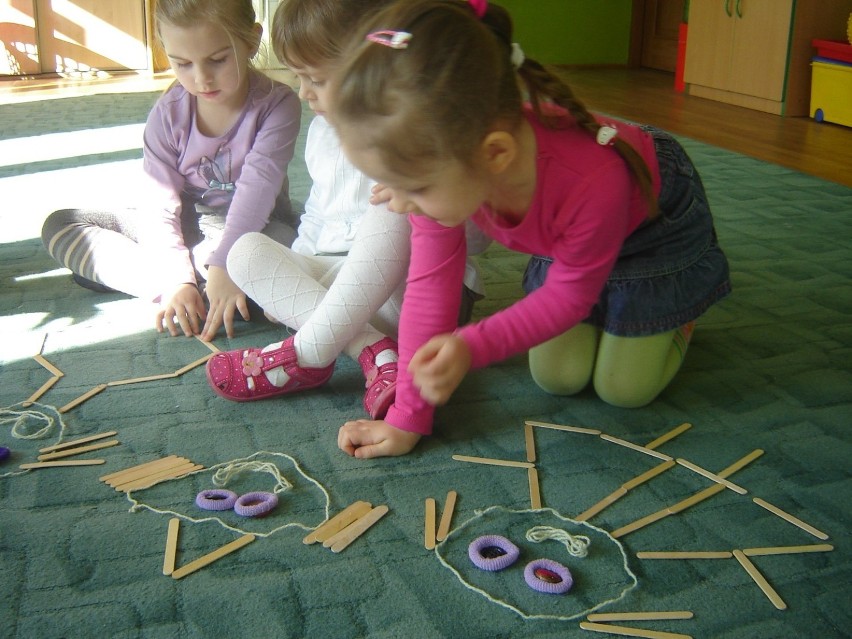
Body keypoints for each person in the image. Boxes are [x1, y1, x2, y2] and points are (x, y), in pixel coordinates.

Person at [329, 0, 732, 458]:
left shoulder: (593, 182)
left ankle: (682, 310)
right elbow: (430, 286)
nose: (397, 204)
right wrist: (407, 417)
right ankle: (627, 312)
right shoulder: (445, 156)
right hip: (570, 239)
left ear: (495, 155)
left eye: (413, 188)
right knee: (559, 377)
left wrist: (471, 345)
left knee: (623, 388)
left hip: (653, 229)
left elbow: (567, 298)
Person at [204, 0, 489, 419]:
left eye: (316, 79)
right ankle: (372, 350)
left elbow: (474, 238)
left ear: (369, 68)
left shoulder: (420, 126)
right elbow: (318, 215)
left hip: (413, 290)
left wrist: (415, 192)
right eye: (299, 77)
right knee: (245, 252)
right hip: (344, 280)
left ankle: (309, 350)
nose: (303, 93)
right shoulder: (321, 131)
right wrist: (293, 270)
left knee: (393, 209)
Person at [40, 0, 301, 341]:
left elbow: (257, 192)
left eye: (218, 60)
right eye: (182, 64)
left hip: (258, 230)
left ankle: (203, 285)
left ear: (251, 41)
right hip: (189, 227)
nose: (201, 78)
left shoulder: (277, 105)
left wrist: (225, 264)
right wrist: (177, 278)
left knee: (299, 250)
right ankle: (191, 290)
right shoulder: (167, 114)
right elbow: (159, 203)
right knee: (60, 225)